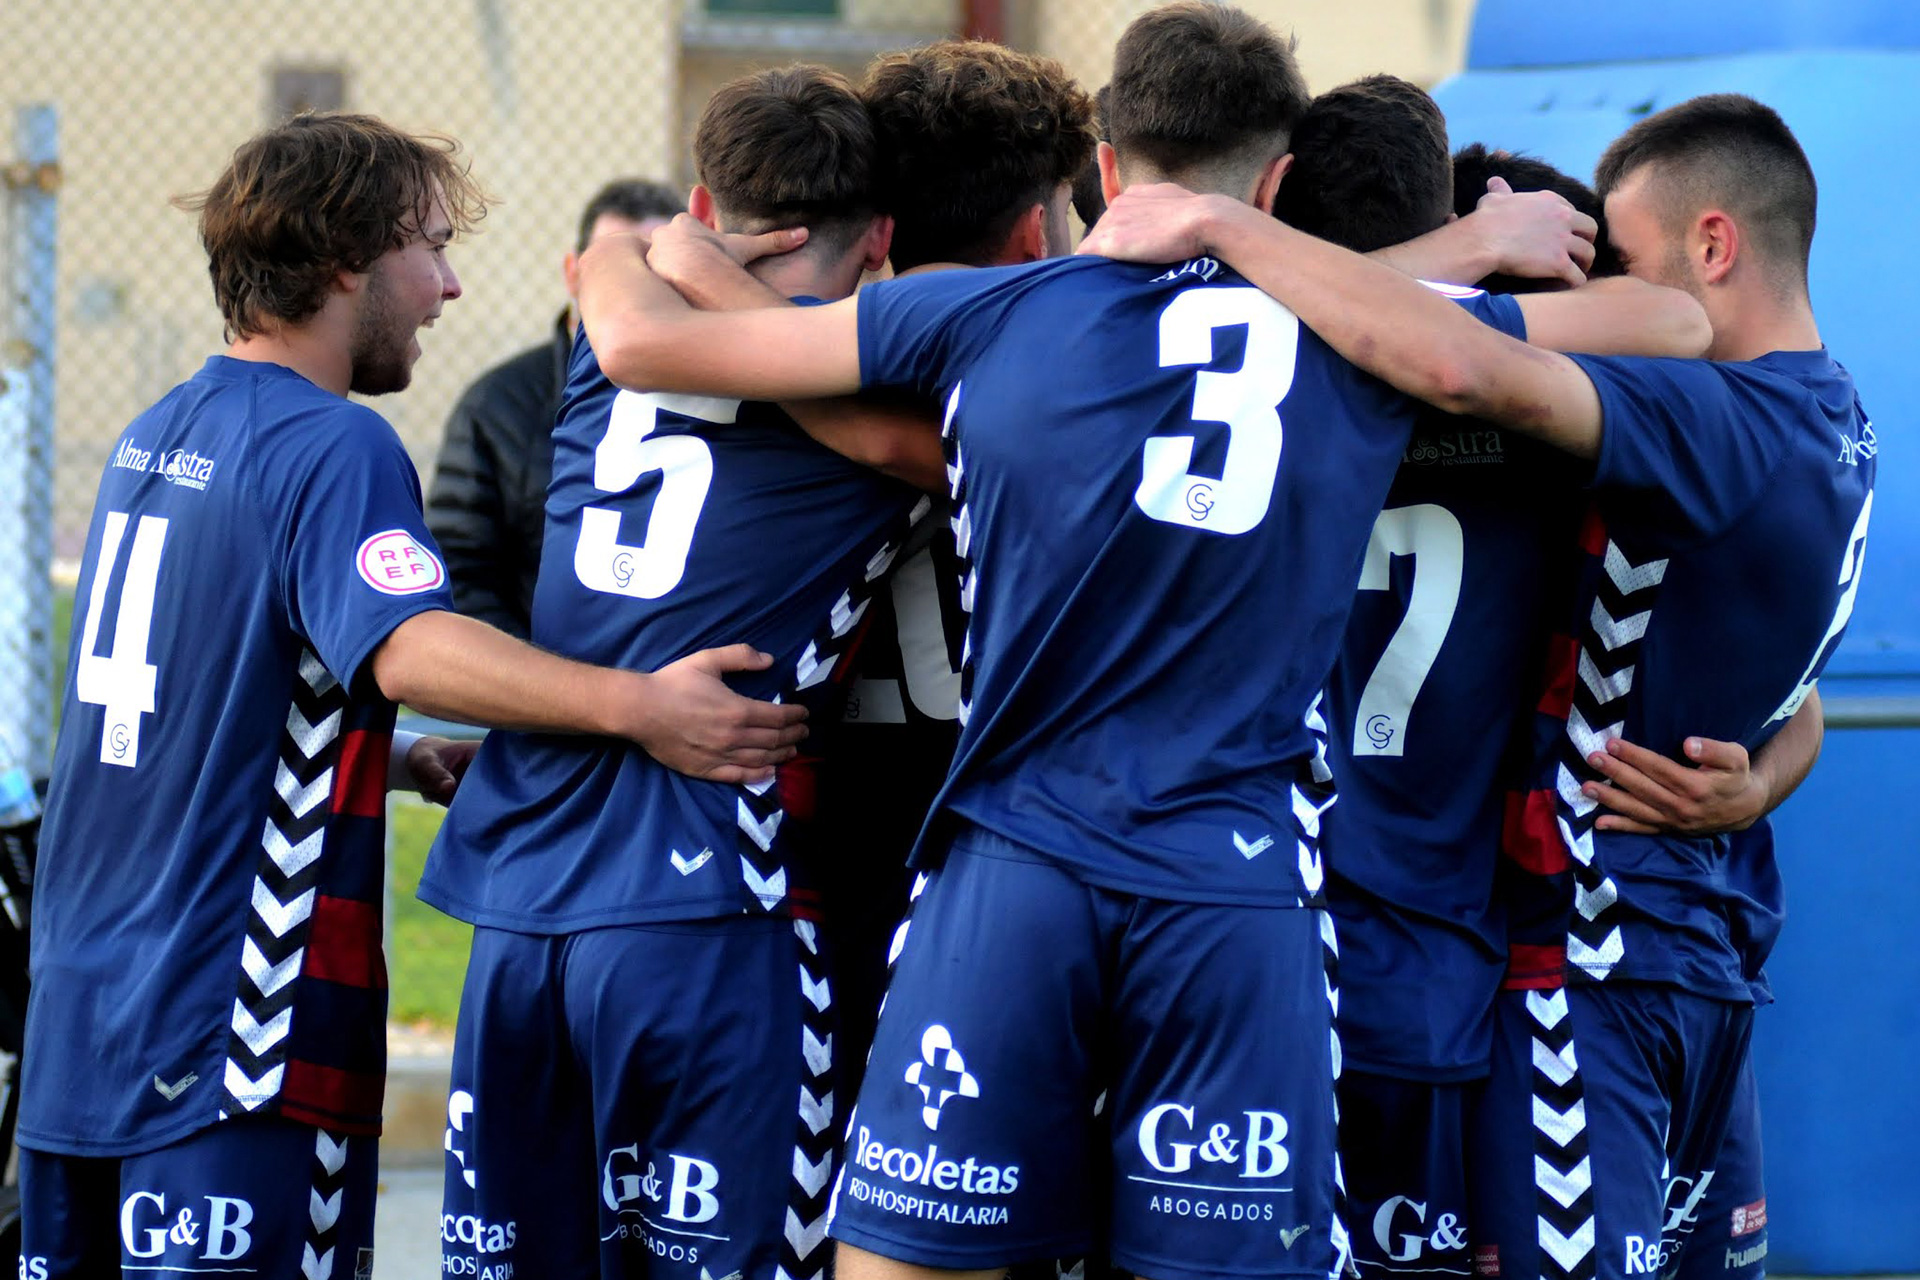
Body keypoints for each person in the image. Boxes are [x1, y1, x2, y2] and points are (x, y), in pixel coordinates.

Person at [572, 5, 1698, 1274]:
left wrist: (637, 249)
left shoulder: (986, 314)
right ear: (1276, 181)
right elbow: (1673, 327)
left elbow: (650, 341)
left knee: (903, 1257)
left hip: (1013, 858)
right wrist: (1364, 258)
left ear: (1105, 169)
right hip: (1231, 880)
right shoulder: (1365, 331)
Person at [1083, 91, 1869, 1280]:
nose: (1624, 299)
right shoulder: (1834, 409)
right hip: (1665, 953)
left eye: (1632, 267)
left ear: (1714, 245)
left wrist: (1224, 232)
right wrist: (1760, 778)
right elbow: (1785, 682)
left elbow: (1458, 358)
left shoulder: (1698, 417)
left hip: (1579, 958)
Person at [16, 113, 804, 1280]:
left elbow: (181, 712)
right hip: (231, 1034)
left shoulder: (158, 432)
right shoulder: (333, 444)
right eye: (428, 247)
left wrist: (376, 758)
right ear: (348, 259)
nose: (447, 284)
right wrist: (637, 704)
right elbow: (412, 646)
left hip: (78, 1024)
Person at [1273, 85, 1815, 1280]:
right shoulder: (1567, 427)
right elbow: (1662, 331)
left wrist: (1760, 769)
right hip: (1506, 964)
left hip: (1313, 939)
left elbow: (1765, 656)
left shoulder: (1246, 403)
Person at [416, 67, 920, 1280]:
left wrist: (674, 255)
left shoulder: (602, 339)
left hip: (521, 899)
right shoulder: (894, 378)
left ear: (704, 199)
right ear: (884, 241)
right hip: (707, 904)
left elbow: (615, 274)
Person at [426, 178, 682, 637]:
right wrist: (549, 691)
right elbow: (459, 575)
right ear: (573, 273)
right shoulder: (498, 406)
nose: (638, 287)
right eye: (614, 267)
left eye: (656, 268)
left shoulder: (719, 396)